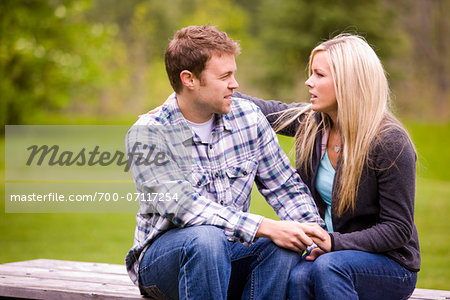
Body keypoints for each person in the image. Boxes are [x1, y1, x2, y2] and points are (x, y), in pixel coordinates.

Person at [125, 25, 327, 300]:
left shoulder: (248, 118)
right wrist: (264, 227)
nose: (235, 84)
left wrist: (312, 234)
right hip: (164, 263)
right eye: (225, 76)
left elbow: (285, 187)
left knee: (285, 245)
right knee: (206, 239)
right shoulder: (149, 133)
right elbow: (185, 207)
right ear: (189, 79)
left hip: (231, 253)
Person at [237, 33, 420, 300]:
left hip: (389, 264)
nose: (308, 82)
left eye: (319, 75)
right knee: (299, 276)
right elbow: (263, 110)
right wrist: (213, 86)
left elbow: (398, 229)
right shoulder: (315, 124)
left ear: (348, 82)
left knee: (328, 268)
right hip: (330, 256)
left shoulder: (390, 142)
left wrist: (334, 243)